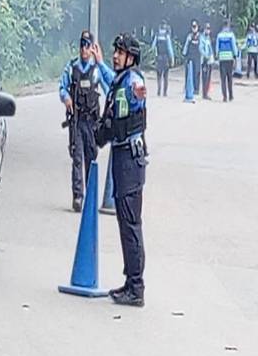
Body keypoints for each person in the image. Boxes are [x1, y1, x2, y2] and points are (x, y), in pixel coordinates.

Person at [92, 35, 148, 307]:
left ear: (131, 57)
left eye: (121, 52)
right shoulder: (120, 79)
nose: (116, 56)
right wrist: (101, 63)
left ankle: (136, 287)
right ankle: (130, 282)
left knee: (130, 224)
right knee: (124, 223)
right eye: (115, 51)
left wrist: (101, 133)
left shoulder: (133, 81)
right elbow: (112, 87)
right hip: (122, 156)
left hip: (130, 159)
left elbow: (126, 111)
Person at [58, 31, 109, 212]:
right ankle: (78, 196)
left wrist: (101, 62)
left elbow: (110, 86)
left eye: (87, 45)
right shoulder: (72, 68)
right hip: (77, 121)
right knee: (77, 158)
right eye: (82, 45)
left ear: (92, 48)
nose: (84, 49)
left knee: (91, 158)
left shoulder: (97, 70)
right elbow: (62, 87)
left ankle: (90, 196)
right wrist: (66, 98)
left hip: (92, 122)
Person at [216, 20, 239, 102]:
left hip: (222, 59)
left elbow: (217, 48)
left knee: (223, 79)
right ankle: (231, 96)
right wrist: (235, 56)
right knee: (230, 78)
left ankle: (224, 97)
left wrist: (217, 56)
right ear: (228, 26)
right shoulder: (231, 35)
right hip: (229, 58)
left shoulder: (219, 35)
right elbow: (234, 47)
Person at [151, 22, 174, 97]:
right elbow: (169, 48)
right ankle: (164, 92)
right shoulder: (167, 36)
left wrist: (154, 56)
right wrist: (172, 58)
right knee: (165, 76)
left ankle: (159, 90)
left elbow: (153, 47)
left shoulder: (157, 35)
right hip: (165, 58)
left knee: (159, 75)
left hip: (158, 58)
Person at [182, 20, 202, 96]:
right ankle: (188, 87)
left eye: (195, 26)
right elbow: (186, 46)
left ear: (197, 27)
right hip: (190, 57)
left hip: (197, 57)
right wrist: (184, 54)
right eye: (192, 26)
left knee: (197, 72)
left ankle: (196, 89)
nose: (193, 28)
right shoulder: (189, 36)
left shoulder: (200, 37)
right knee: (189, 73)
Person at [200, 23, 214, 100]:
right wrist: (206, 56)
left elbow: (210, 48)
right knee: (205, 77)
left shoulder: (208, 38)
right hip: (205, 60)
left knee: (208, 77)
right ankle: (204, 94)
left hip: (209, 60)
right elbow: (201, 49)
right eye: (206, 29)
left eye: (208, 29)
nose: (208, 30)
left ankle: (206, 92)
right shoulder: (202, 38)